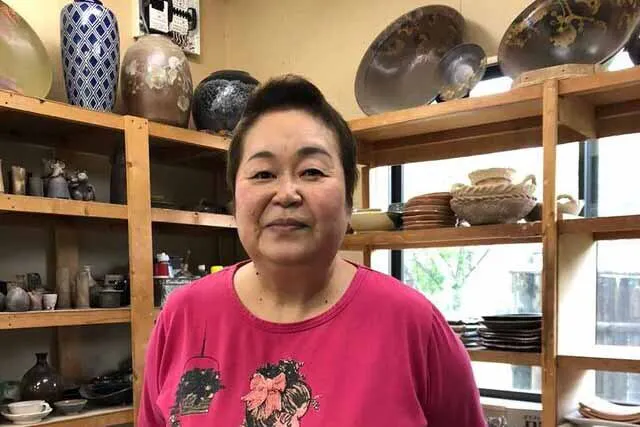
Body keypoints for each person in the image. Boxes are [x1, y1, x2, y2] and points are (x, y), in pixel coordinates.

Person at [138, 74, 486, 426]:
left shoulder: (415, 326)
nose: (287, 193)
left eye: (312, 171)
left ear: (349, 201)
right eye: (263, 174)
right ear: (235, 200)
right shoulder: (182, 318)